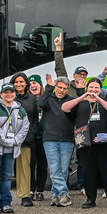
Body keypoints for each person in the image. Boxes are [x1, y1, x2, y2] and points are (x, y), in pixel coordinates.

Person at [63, 79, 107, 209]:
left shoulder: (105, 102)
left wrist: (99, 99)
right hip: (85, 143)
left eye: (96, 88)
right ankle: (90, 199)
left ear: (100, 89)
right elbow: (64, 108)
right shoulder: (80, 103)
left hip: (103, 142)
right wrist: (82, 97)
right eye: (91, 87)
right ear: (87, 88)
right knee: (88, 171)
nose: (93, 90)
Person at [0, 83, 30, 214]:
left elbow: (25, 127)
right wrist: (5, 142)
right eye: (6, 92)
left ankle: (6, 202)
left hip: (11, 150)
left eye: (11, 92)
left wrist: (15, 141)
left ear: (15, 94)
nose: (9, 94)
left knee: (6, 177)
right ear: (1, 94)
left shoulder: (20, 110)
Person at [39, 77, 78, 206]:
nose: (61, 90)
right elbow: (40, 103)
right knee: (55, 169)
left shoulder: (71, 101)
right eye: (59, 87)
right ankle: (64, 194)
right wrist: (49, 87)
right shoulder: (48, 99)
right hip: (50, 139)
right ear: (55, 87)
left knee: (64, 170)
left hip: (67, 139)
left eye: (64, 88)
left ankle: (56, 195)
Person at [8, 72, 38, 207]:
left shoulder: (32, 99)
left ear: (26, 84)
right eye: (16, 82)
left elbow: (35, 119)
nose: (18, 85)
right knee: (5, 168)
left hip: (26, 140)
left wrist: (32, 133)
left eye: (21, 82)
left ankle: (25, 196)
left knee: (24, 168)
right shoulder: (7, 97)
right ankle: (3, 197)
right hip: (7, 139)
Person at [26, 75, 50, 203]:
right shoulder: (28, 100)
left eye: (35, 83)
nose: (32, 85)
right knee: (30, 164)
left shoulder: (46, 99)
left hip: (44, 137)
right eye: (30, 84)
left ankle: (40, 191)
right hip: (31, 137)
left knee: (42, 165)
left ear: (40, 85)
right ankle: (30, 190)